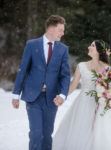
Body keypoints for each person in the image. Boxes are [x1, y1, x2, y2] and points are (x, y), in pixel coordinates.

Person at [12, 15, 70, 150]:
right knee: (36, 134)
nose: (63, 33)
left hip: (52, 98)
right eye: (60, 30)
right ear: (50, 29)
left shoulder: (63, 49)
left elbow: (65, 75)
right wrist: (16, 94)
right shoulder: (32, 45)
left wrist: (62, 95)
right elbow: (23, 70)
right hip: (33, 97)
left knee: (47, 134)